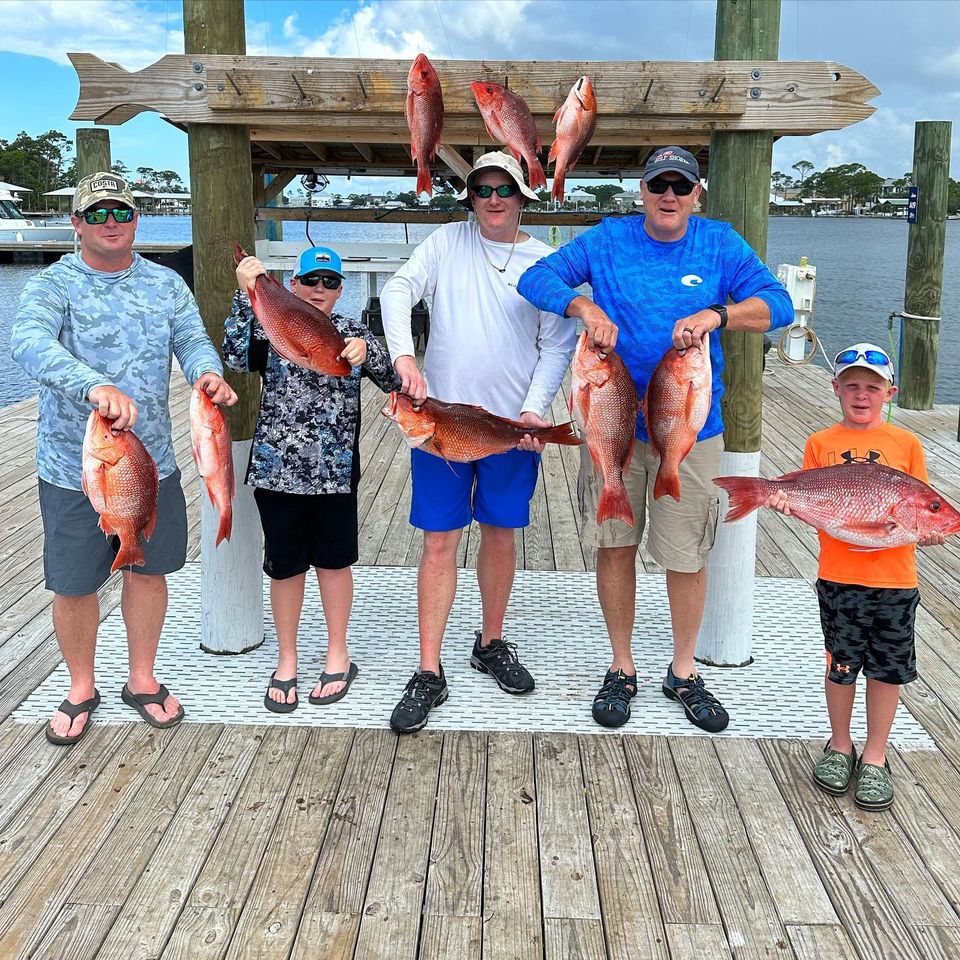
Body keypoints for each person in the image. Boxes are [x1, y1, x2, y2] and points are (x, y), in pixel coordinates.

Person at [518, 146, 793, 731]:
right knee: (615, 543)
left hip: (689, 436)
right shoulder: (608, 239)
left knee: (686, 554)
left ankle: (684, 670)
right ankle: (621, 666)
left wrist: (718, 315)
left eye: (681, 186)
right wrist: (584, 307)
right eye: (658, 185)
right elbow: (534, 277)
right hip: (612, 421)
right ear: (642, 191)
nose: (669, 195)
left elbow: (780, 304)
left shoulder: (720, 244)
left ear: (697, 194)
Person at [10, 170, 237, 744]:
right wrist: (93, 386)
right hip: (75, 468)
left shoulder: (166, 284)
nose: (110, 222)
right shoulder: (54, 284)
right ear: (77, 223)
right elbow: (28, 342)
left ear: (136, 219)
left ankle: (141, 678)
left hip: (151, 464)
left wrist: (207, 372)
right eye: (97, 213)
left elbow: (191, 339)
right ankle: (81, 685)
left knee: (148, 571)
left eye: (121, 212)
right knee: (73, 583)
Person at [379, 151, 577, 733]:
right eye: (483, 189)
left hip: (510, 427)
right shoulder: (446, 242)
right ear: (470, 197)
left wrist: (534, 411)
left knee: (500, 533)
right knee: (439, 543)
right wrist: (404, 357)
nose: (493, 199)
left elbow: (557, 344)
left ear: (523, 197)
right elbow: (397, 290)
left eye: (504, 189)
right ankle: (428, 668)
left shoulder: (544, 262)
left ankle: (490, 642)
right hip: (439, 422)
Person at [764, 344, 942, 810]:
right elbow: (815, 500)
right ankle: (840, 745)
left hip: (896, 582)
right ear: (836, 389)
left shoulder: (907, 445)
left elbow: (924, 505)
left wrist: (929, 529)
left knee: (887, 669)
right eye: (852, 386)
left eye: (872, 387)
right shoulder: (820, 443)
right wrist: (786, 500)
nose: (862, 395)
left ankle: (876, 755)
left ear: (890, 393)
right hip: (839, 577)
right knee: (840, 664)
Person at [224, 246, 399, 712]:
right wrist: (245, 296)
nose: (320, 289)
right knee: (284, 567)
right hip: (276, 469)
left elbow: (393, 380)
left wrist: (370, 351)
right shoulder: (268, 320)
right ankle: (287, 659)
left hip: (334, 473)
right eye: (311, 280)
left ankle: (338, 653)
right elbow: (236, 359)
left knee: (335, 563)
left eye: (330, 282)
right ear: (294, 284)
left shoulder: (352, 331)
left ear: (341, 290)